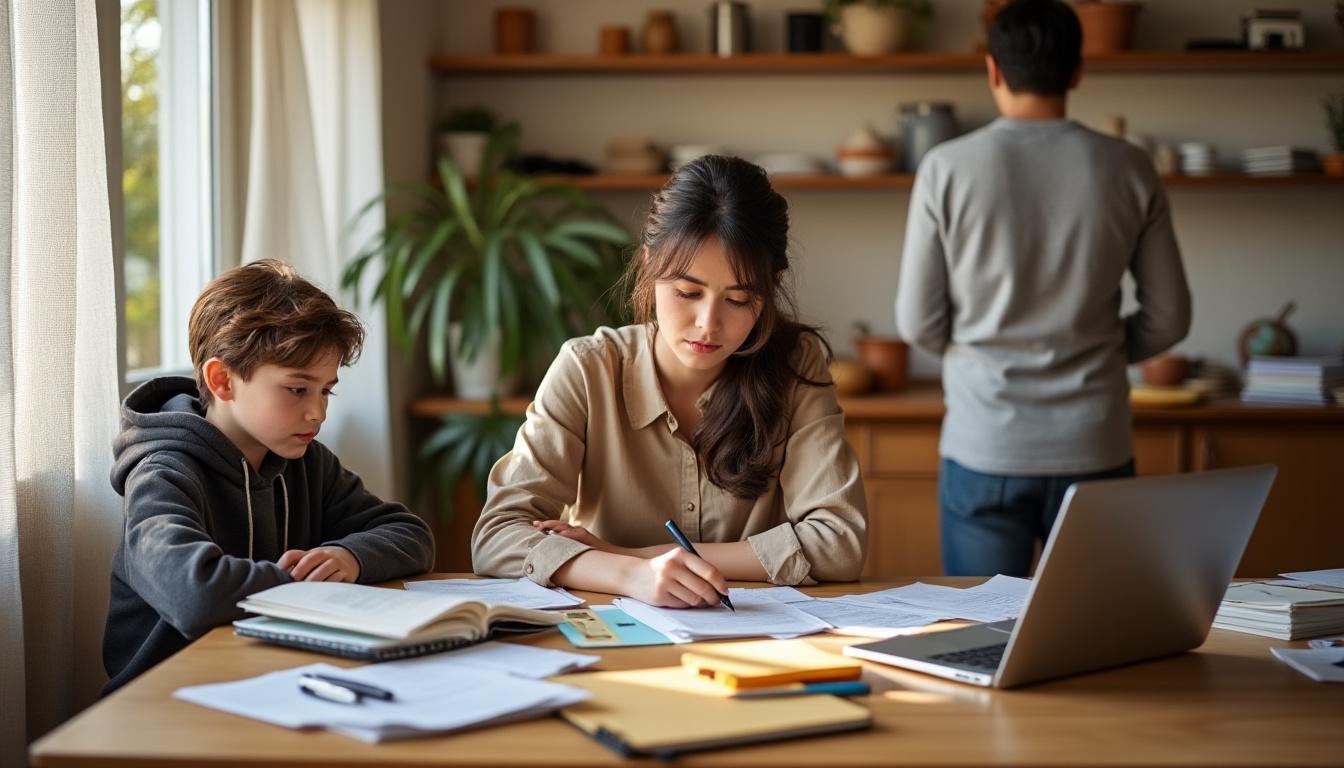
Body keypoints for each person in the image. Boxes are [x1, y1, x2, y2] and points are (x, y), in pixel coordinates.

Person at [472, 155, 867, 607]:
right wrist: (628, 575)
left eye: (738, 299)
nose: (708, 324)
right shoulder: (587, 368)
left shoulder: (797, 364)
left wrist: (636, 556)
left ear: (770, 288)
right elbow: (497, 536)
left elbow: (840, 543)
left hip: (758, 635)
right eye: (687, 293)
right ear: (649, 263)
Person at [895, 0, 1191, 577]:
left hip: (985, 443)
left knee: (981, 639)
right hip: (1095, 443)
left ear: (994, 71)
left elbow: (917, 322)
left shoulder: (946, 167)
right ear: (1078, 71)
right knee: (1093, 641)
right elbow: (1170, 317)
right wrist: (1099, 350)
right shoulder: (1130, 167)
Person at [103, 260, 434, 693]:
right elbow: (194, 593)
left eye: (325, 389)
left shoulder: (306, 462)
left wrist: (347, 557)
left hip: (274, 682)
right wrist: (308, 584)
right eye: (298, 389)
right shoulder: (162, 471)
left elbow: (412, 534)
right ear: (222, 380)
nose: (318, 411)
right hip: (168, 702)